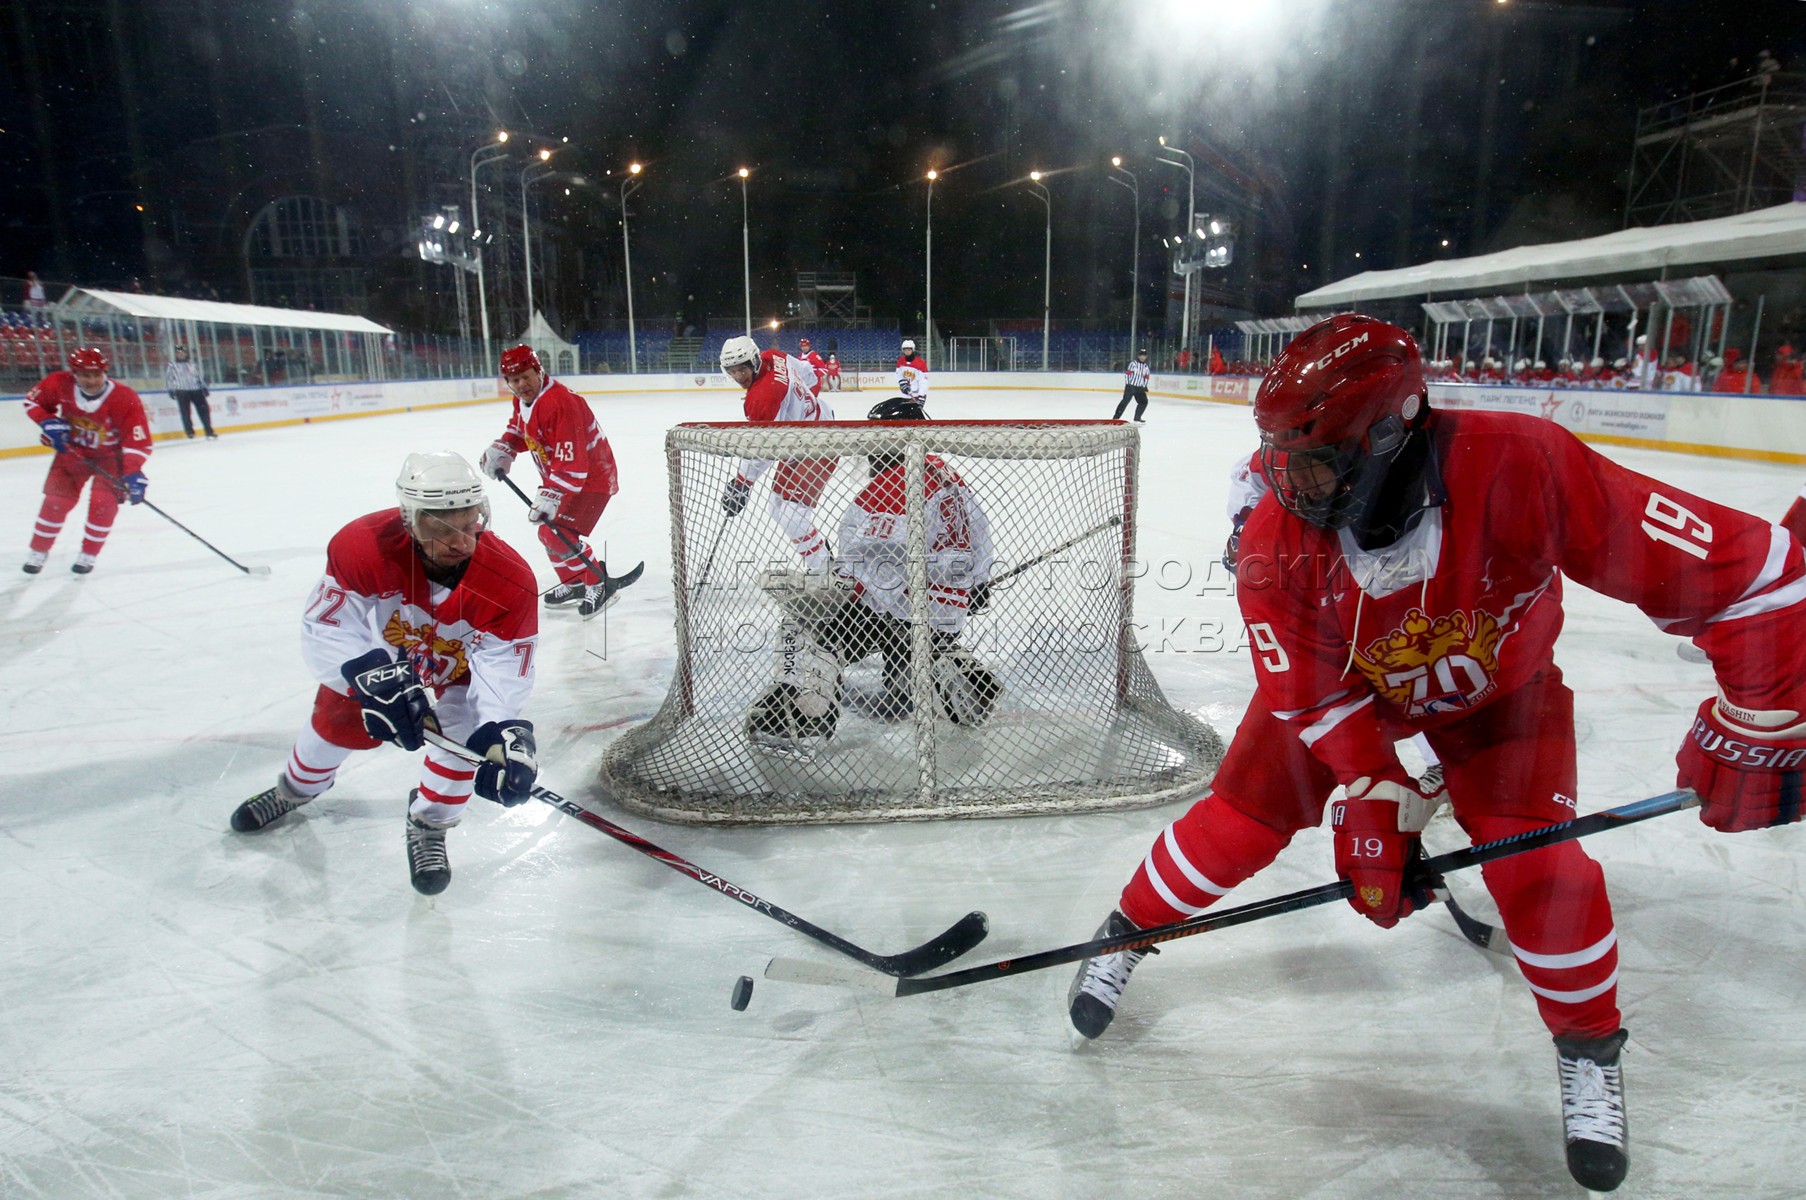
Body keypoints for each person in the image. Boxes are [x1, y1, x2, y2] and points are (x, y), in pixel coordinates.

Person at [1066, 314, 1806, 1194]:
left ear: (1393, 432)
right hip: (1357, 686)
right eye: (1280, 459)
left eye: (1317, 461)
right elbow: (1312, 695)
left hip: (1500, 697)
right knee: (1243, 815)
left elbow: (1761, 578)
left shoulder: (1522, 464)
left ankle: (1588, 1050)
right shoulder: (1273, 541)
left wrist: (1764, 718)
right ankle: (1128, 932)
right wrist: (1377, 798)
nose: (1291, 484)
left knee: (1545, 872)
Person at [228, 451, 541, 896]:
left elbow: (504, 668)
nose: (459, 542)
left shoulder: (509, 581)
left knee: (466, 741)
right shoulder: (363, 546)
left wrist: (503, 729)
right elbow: (329, 625)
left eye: (469, 522)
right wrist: (372, 678)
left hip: (459, 669)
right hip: (381, 657)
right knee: (334, 724)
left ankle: (431, 824)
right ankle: (296, 789)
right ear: (411, 520)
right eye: (440, 527)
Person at [746, 396, 998, 755]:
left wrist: (832, 588)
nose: (869, 451)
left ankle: (807, 713)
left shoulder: (890, 486)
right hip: (943, 615)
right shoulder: (946, 473)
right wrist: (977, 583)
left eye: (876, 440)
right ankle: (938, 666)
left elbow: (874, 568)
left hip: (899, 609)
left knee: (804, 624)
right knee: (907, 668)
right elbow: (979, 535)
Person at [480, 345, 624, 619]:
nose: (521, 384)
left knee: (554, 533)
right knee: (548, 533)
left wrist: (551, 496)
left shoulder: (560, 402)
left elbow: (574, 464)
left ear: (538, 370)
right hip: (566, 478)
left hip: (591, 479)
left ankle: (599, 583)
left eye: (525, 375)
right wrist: (504, 448)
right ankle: (575, 584)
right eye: (514, 379)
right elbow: (520, 430)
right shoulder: (524, 400)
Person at [21, 347, 152, 576]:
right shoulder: (59, 383)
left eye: (96, 374)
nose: (90, 380)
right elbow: (33, 402)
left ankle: (89, 554)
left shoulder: (124, 396)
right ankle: (38, 552)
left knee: (103, 504)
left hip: (112, 459)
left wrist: (133, 473)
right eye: (84, 374)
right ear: (74, 373)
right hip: (73, 453)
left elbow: (137, 440)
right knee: (55, 502)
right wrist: (48, 422)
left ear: (105, 372)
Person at [718, 334, 838, 568]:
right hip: (804, 436)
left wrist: (743, 482)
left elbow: (764, 449)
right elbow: (807, 372)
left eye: (742, 370)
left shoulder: (761, 398)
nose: (738, 377)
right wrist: (803, 406)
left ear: (753, 362)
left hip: (821, 441)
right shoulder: (773, 356)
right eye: (732, 371)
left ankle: (825, 571)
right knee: (777, 506)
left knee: (793, 515)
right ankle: (823, 562)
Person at [164, 345, 216, 440]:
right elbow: (169, 378)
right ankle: (189, 431)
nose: (181, 354)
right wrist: (171, 390)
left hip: (196, 390)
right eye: (179, 353)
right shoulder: (172, 365)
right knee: (185, 412)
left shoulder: (192, 364)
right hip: (182, 391)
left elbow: (198, 376)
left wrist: (203, 387)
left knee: (204, 411)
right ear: (176, 354)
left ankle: (209, 431)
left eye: (183, 352)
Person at [1113, 348, 1152, 422]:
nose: (1142, 357)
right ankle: (1115, 418)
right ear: (1138, 356)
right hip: (1131, 386)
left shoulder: (1146, 367)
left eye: (1144, 356)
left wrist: (1144, 385)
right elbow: (1128, 374)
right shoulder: (1133, 364)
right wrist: (1128, 384)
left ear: (1146, 357)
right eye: (1141, 355)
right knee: (1125, 402)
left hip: (1140, 387)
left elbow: (1146, 377)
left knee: (1144, 402)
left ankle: (1137, 417)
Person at [896, 338, 929, 402]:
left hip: (916, 395)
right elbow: (898, 375)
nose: (907, 352)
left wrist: (922, 395)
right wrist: (902, 383)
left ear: (912, 350)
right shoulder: (900, 361)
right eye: (905, 350)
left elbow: (923, 381)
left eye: (909, 350)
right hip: (905, 395)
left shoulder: (921, 363)